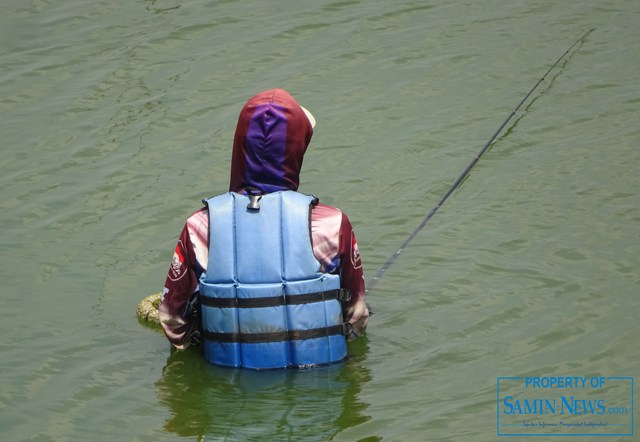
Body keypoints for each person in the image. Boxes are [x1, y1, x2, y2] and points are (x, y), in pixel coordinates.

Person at [159, 88, 369, 369]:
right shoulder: (333, 223)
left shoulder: (200, 226)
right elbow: (357, 317)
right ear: (296, 150)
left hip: (230, 386)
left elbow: (172, 319)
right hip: (318, 387)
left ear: (240, 146)